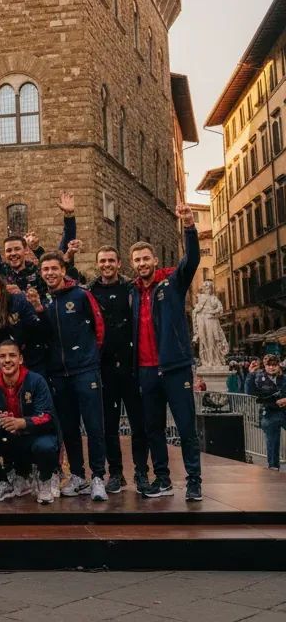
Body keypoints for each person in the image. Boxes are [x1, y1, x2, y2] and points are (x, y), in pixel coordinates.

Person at [130, 203, 202, 500]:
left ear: (155, 260)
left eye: (146, 258)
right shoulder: (132, 292)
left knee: (186, 427)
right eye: (137, 260)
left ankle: (194, 481)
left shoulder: (172, 281)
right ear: (132, 264)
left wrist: (189, 227)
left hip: (175, 367)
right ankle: (163, 479)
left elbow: (192, 259)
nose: (142, 263)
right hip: (146, 370)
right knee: (153, 429)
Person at [26, 253, 107, 501]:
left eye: (54, 268)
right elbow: (45, 335)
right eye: (45, 269)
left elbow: (99, 327)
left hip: (84, 369)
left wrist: (90, 357)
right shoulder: (45, 301)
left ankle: (98, 477)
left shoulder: (81, 295)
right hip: (59, 374)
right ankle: (78, 476)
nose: (50, 273)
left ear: (63, 270)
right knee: (69, 428)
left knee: (94, 425)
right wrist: (39, 310)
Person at [88, 245, 149, 494]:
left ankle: (141, 472)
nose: (106, 265)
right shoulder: (90, 291)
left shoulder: (131, 288)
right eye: (102, 261)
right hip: (105, 369)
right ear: (97, 264)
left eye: (110, 260)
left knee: (139, 425)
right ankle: (115, 473)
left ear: (119, 263)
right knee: (109, 426)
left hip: (131, 367)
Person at [0, 339, 60, 504]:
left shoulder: (37, 381)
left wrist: (22, 423)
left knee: (46, 446)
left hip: (34, 437)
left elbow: (47, 416)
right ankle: (2, 481)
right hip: (9, 440)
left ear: (20, 359)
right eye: (2, 356)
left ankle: (44, 481)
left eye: (12, 355)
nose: (7, 360)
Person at [0, 186, 76, 296]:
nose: (13, 253)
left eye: (17, 249)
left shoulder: (38, 272)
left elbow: (62, 259)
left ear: (26, 250)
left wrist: (69, 217)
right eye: (9, 250)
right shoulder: (1, 272)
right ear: (5, 254)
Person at [245, 354, 286, 470]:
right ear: (265, 365)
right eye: (269, 365)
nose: (271, 368)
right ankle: (273, 466)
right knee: (272, 442)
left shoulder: (284, 378)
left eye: (274, 365)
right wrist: (251, 374)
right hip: (270, 412)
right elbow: (249, 392)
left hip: (284, 411)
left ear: (279, 365)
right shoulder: (258, 377)